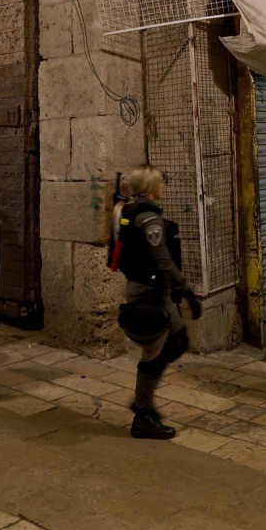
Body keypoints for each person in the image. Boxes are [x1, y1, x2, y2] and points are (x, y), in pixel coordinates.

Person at [111, 163, 201, 439]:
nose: (163, 185)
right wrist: (187, 291)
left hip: (154, 292)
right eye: (160, 182)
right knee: (155, 353)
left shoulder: (129, 212)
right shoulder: (149, 219)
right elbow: (163, 260)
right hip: (149, 294)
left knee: (178, 341)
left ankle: (143, 403)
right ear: (150, 187)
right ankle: (143, 414)